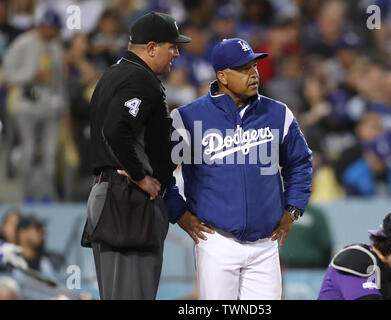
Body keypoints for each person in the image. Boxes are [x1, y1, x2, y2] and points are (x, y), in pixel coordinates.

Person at [165, 38, 313, 300]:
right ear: (222, 76)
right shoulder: (188, 117)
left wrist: (293, 208)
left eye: (254, 66)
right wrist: (179, 212)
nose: (253, 74)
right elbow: (161, 170)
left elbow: (300, 162)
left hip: (265, 243)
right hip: (216, 240)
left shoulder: (278, 113)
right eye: (243, 69)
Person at [80, 11, 191, 300]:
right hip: (127, 200)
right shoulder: (138, 78)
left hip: (115, 196)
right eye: (172, 46)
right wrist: (141, 176)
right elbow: (116, 129)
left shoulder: (117, 72)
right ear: (151, 48)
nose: (177, 53)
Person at [3, 8, 66, 203]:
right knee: (28, 152)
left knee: (50, 154)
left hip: (50, 107)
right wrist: (31, 76)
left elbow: (59, 80)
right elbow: (7, 74)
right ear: (45, 26)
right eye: (54, 29)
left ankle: (47, 196)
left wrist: (63, 105)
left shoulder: (55, 46)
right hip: (27, 106)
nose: (57, 33)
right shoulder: (23, 43)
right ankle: (27, 196)